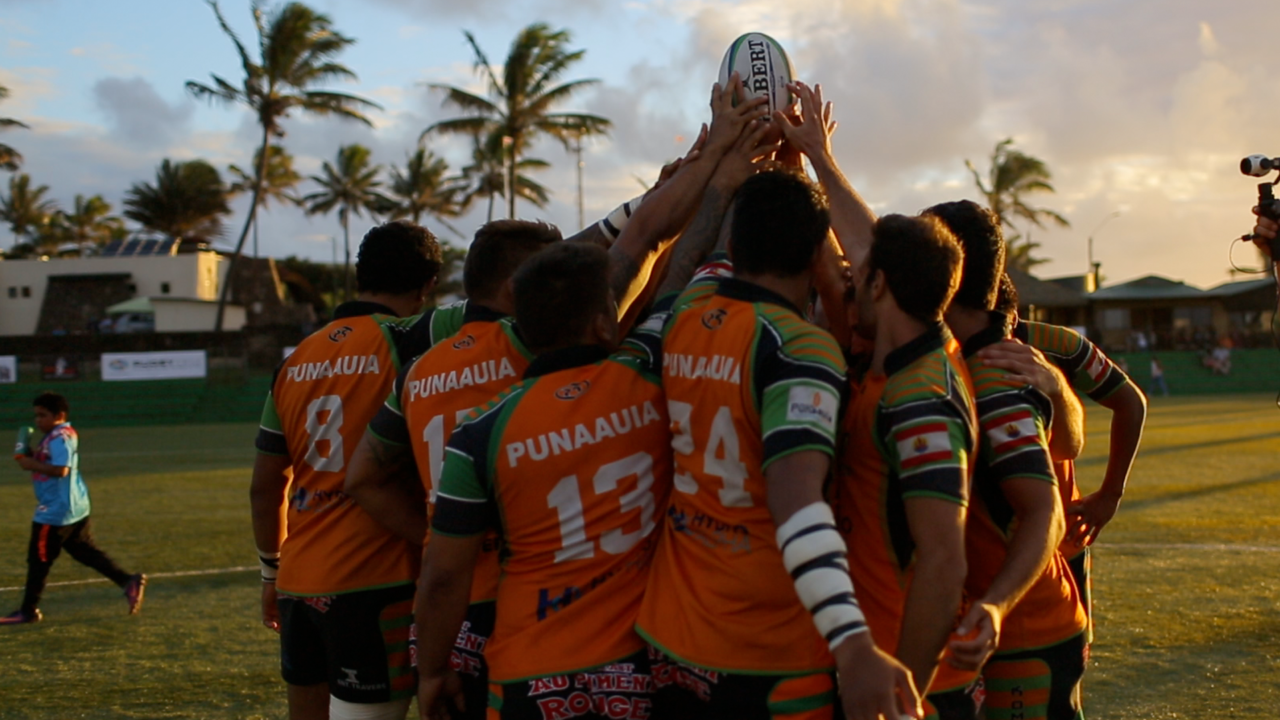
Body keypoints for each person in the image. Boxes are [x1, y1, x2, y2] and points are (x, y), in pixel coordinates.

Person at [414, 77, 780, 720]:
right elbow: (670, 259)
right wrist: (727, 171)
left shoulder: (482, 431)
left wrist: (434, 669)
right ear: (606, 322)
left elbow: (443, 576)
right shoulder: (642, 378)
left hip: (528, 675)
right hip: (633, 670)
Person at [634, 168, 919, 719]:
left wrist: (734, 163)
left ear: (738, 245)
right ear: (817, 254)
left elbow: (703, 264)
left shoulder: (686, 316)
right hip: (768, 651)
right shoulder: (798, 347)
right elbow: (797, 503)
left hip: (672, 635)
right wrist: (853, 642)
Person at [250, 220, 443, 720]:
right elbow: (513, 284)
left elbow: (265, 484)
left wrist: (271, 574)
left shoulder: (295, 361)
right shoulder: (411, 337)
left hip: (298, 582)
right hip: (373, 581)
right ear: (428, 284)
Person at [926, 200, 1088, 720]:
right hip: (1001, 620)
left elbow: (1047, 509)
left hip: (1023, 627)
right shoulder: (968, 355)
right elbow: (1071, 445)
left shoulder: (995, 368)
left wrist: (995, 605)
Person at [833, 215, 981, 719]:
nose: (849, 279)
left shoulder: (922, 396)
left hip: (905, 681)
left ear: (879, 283)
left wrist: (901, 700)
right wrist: (814, 157)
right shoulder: (902, 361)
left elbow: (944, 562)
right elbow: (868, 246)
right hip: (877, 665)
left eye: (861, 273)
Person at [981, 305, 1148, 644]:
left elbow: (1130, 401)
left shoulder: (1058, 345)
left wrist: (1111, 494)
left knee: (1059, 659)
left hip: (1059, 543)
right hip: (980, 549)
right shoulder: (944, 345)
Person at [2, 392, 145, 625]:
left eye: (43, 415)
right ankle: (127, 581)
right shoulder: (55, 435)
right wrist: (31, 455)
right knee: (83, 551)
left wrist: (29, 464)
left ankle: (28, 611)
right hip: (74, 507)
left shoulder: (60, 437)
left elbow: (61, 470)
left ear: (59, 416)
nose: (38, 420)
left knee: (39, 560)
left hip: (55, 512)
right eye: (36, 416)